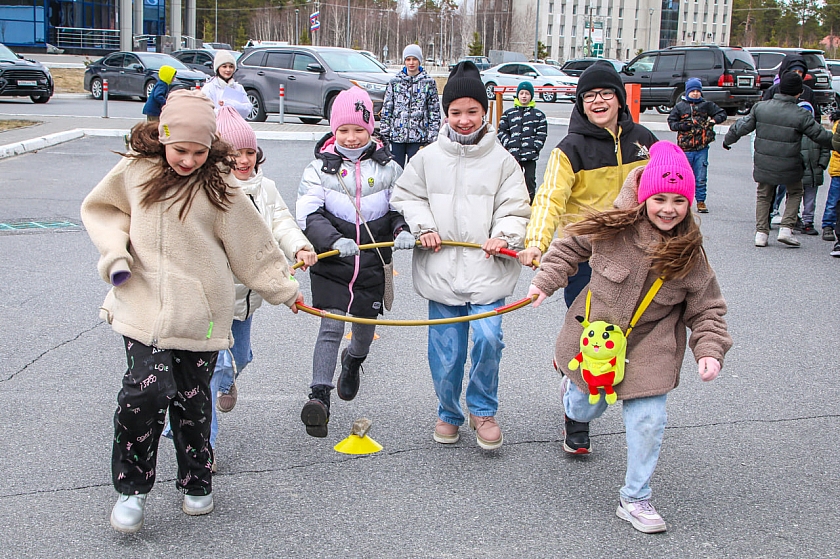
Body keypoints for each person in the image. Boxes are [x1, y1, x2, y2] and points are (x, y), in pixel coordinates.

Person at [80, 90, 303, 534]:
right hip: (141, 302)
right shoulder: (136, 172)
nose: (188, 160)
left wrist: (283, 289)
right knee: (145, 393)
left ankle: (195, 480)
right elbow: (102, 211)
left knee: (193, 400)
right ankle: (132, 489)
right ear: (162, 137)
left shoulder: (219, 186)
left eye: (199, 152)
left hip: (200, 313)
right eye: (181, 150)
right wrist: (114, 256)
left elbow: (252, 245)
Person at [526, 140, 733, 534]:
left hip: (651, 346)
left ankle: (635, 497)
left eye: (678, 200)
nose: (668, 209)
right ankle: (571, 395)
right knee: (586, 409)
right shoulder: (610, 225)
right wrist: (544, 283)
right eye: (660, 198)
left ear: (689, 203)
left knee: (649, 419)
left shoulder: (691, 254)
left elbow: (708, 309)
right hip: (594, 341)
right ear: (643, 196)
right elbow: (568, 250)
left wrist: (709, 350)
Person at [161, 106, 318, 463]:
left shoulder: (265, 189)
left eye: (249, 152)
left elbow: (281, 223)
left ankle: (207, 390)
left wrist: (300, 246)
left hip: (246, 300)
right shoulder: (208, 191)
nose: (243, 160)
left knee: (239, 358)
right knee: (213, 370)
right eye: (234, 154)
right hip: (210, 301)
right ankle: (205, 450)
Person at [391, 61, 531, 450]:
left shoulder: (504, 161)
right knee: (447, 350)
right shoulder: (427, 157)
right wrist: (423, 226)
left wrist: (503, 235)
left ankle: (483, 410)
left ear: (485, 112)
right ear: (445, 113)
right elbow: (405, 196)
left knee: (489, 338)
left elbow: (516, 208)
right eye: (456, 112)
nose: (464, 120)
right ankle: (448, 411)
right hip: (442, 270)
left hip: (487, 267)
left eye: (472, 111)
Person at [296, 87, 411, 438]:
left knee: (363, 329)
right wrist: (332, 240)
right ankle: (319, 398)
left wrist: (404, 228)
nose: (350, 136)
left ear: (370, 129)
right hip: (333, 261)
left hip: (373, 262)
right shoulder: (318, 170)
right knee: (330, 325)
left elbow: (400, 207)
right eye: (343, 129)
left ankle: (354, 361)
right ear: (333, 130)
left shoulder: (389, 167)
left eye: (358, 129)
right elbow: (308, 213)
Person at [723, 72, 833, 248]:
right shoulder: (800, 114)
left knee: (764, 194)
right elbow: (820, 136)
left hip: (764, 162)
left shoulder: (761, 108)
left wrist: (728, 140)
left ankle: (761, 233)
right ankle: (786, 229)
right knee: (795, 191)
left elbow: (741, 126)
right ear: (798, 92)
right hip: (790, 163)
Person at [667, 77, 727, 213]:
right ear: (687, 92)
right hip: (685, 148)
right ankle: (683, 200)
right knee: (683, 176)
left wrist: (713, 121)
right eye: (692, 91)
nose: (695, 93)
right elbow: (671, 122)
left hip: (702, 148)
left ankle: (701, 201)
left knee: (700, 177)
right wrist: (683, 125)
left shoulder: (706, 105)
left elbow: (722, 113)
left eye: (697, 91)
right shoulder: (680, 107)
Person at [379, 44, 441, 168]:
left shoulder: (428, 82)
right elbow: (387, 108)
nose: (411, 63)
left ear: (419, 61)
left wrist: (432, 135)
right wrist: (384, 133)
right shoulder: (395, 81)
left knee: (416, 172)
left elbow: (434, 111)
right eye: (408, 59)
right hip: (397, 138)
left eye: (414, 59)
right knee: (395, 170)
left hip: (419, 138)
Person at [497, 81, 549, 203]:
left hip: (530, 155)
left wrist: (535, 146)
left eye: (527, 93)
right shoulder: (509, 114)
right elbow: (502, 131)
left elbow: (542, 133)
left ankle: (530, 202)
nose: (524, 96)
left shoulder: (538, 115)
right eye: (521, 93)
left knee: (530, 179)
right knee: (513, 179)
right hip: (514, 155)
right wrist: (509, 145)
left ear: (531, 95)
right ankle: (514, 200)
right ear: (517, 95)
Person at [796, 101, 830, 236]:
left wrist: (822, 164)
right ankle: (793, 218)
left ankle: (808, 221)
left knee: (810, 199)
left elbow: (825, 149)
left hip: (814, 172)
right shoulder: (795, 132)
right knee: (794, 197)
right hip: (798, 173)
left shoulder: (818, 131)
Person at [201, 50, 252, 119]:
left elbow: (247, 108)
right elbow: (206, 111)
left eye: (231, 67)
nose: (228, 70)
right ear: (218, 68)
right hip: (216, 127)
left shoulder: (238, 87)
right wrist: (223, 112)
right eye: (224, 66)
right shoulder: (209, 88)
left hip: (235, 127)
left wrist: (228, 104)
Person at [821, 110, 840, 243]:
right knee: (834, 199)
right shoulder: (838, 125)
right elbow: (836, 145)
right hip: (838, 169)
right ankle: (828, 224)